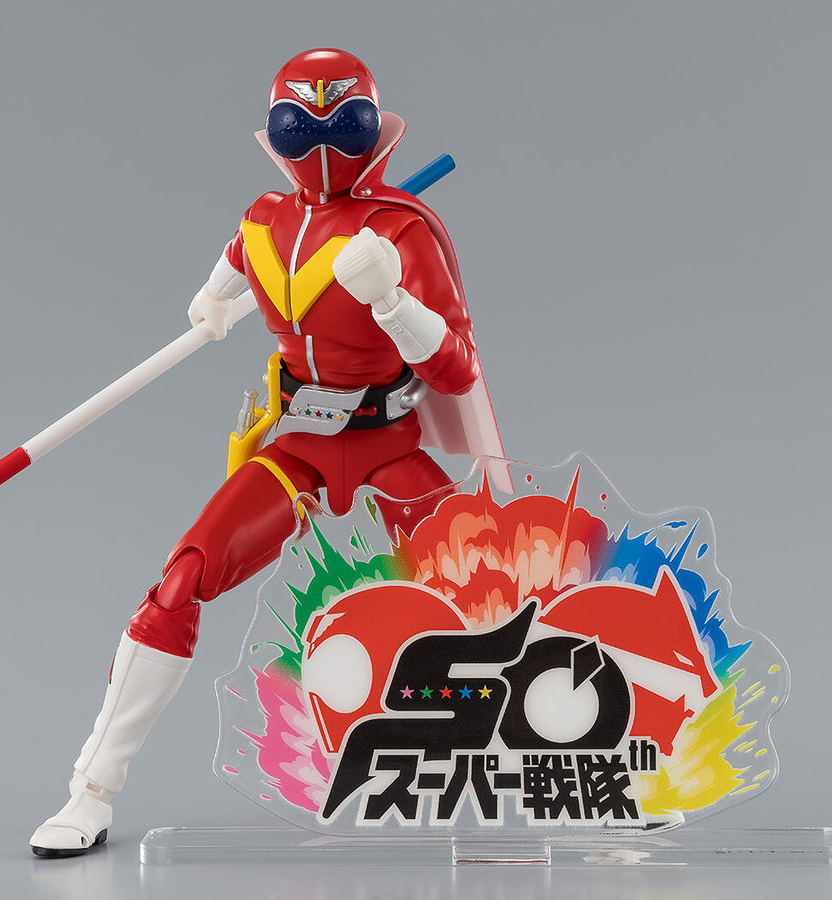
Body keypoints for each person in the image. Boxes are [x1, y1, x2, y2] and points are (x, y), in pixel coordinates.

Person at [29, 48, 503, 857]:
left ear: (372, 129)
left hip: (387, 447)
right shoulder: (261, 221)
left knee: (495, 589)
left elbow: (456, 367)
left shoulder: (402, 229)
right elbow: (225, 281)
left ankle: (602, 766)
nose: (321, 147)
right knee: (180, 581)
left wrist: (392, 299)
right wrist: (211, 304)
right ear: (276, 132)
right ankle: (91, 790)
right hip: (302, 449)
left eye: (343, 125)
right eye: (298, 127)